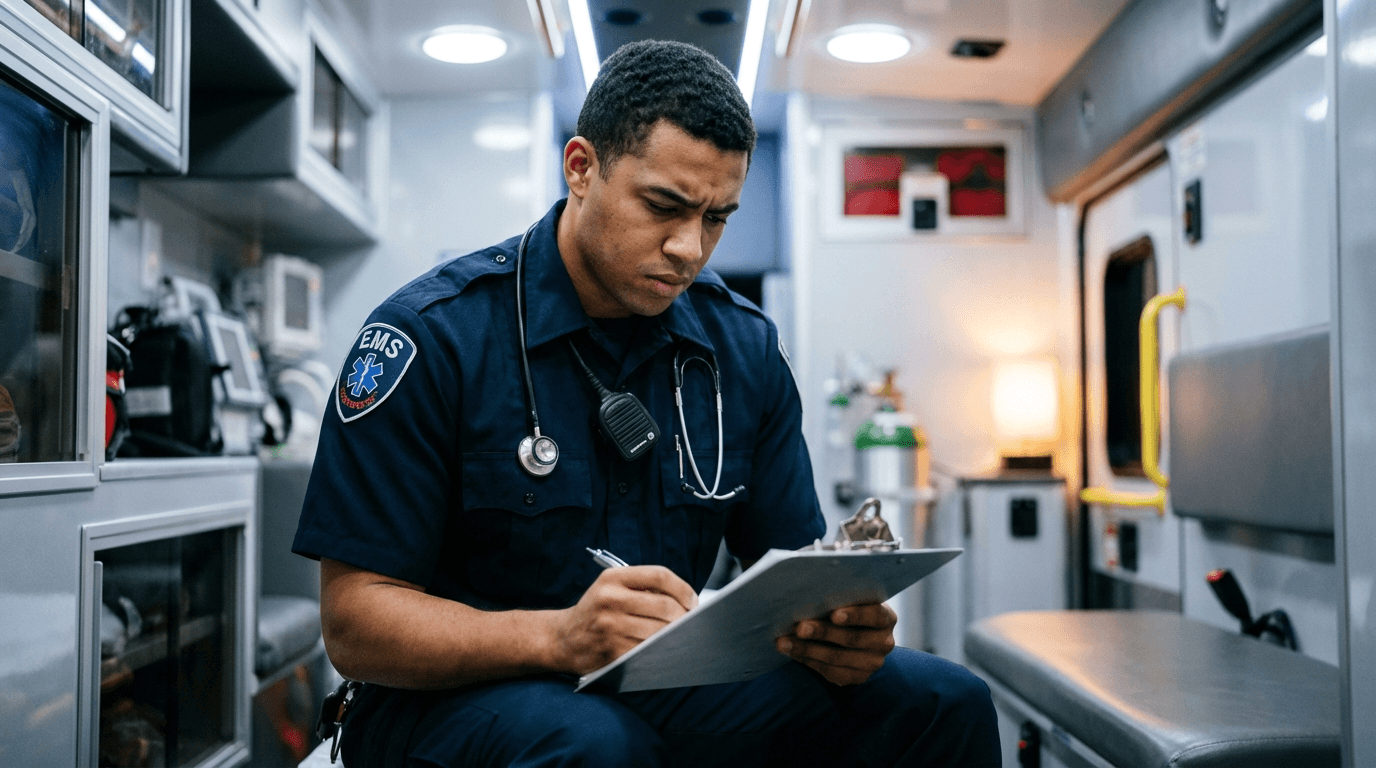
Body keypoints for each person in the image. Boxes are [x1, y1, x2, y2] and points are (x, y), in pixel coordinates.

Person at [293, 39, 1000, 768]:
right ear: (581, 168)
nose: (690, 249)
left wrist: (837, 632)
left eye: (717, 217)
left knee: (943, 702)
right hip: (448, 698)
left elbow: (789, 574)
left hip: (663, 680)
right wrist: (557, 637)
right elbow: (355, 623)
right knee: (598, 748)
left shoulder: (742, 351)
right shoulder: (434, 337)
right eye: (664, 206)